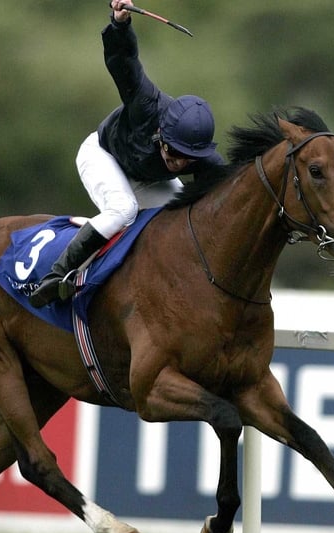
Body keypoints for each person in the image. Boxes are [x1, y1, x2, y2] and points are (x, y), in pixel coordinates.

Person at [28, 0, 225, 308]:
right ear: (162, 133)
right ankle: (57, 276)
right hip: (103, 154)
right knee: (123, 210)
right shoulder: (146, 103)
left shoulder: (205, 160)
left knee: (180, 222)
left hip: (144, 176)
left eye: (188, 157)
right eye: (174, 150)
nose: (178, 161)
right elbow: (124, 60)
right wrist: (120, 24)